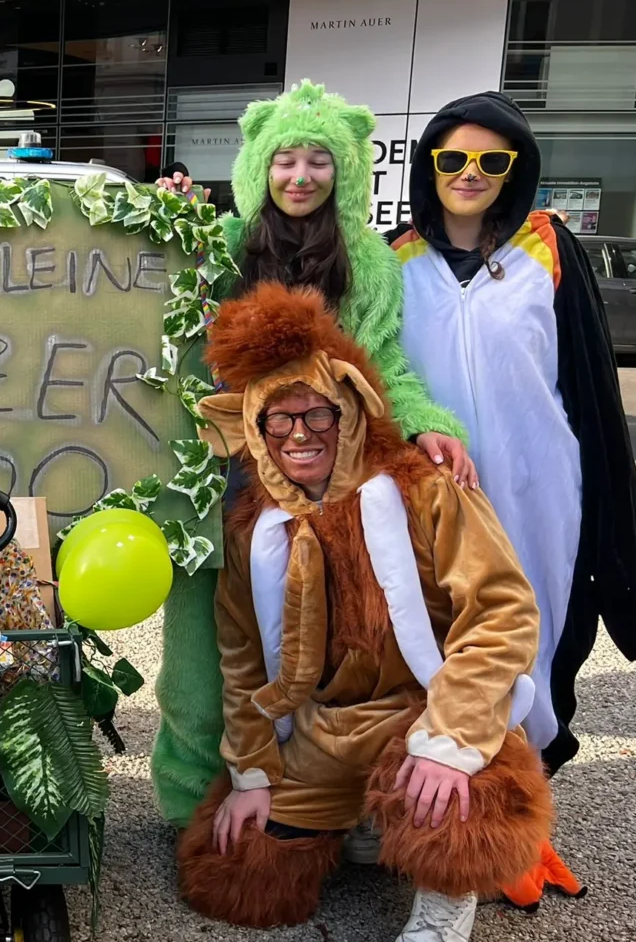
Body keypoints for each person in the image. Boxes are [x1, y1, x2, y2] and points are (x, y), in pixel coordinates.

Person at [179, 281, 551, 941]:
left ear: (349, 406)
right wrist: (253, 773)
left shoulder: (425, 489)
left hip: (422, 710)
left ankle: (442, 901)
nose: (299, 434)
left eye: (316, 413)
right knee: (237, 874)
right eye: (278, 418)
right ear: (256, 428)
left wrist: (453, 740)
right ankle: (353, 815)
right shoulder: (251, 530)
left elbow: (502, 612)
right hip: (322, 731)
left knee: (458, 806)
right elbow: (242, 663)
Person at [150, 80, 471, 831]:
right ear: (258, 163)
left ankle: (310, 810)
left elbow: (384, 362)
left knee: (315, 648)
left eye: (318, 161)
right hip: (219, 470)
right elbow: (159, 322)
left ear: (347, 169)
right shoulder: (221, 243)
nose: (299, 177)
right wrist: (168, 220)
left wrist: (424, 422)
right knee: (203, 651)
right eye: (284, 160)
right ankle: (192, 804)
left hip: (323, 482)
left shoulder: (369, 262)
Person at [390, 92, 636, 909]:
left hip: (538, 490)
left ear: (516, 171)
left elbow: (594, 388)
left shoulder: (550, 249)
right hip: (436, 500)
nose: (471, 175)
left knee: (533, 647)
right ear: (429, 165)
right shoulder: (395, 259)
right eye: (454, 159)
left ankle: (527, 831)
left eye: (492, 162)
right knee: (442, 649)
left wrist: (611, 514)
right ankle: (448, 820)